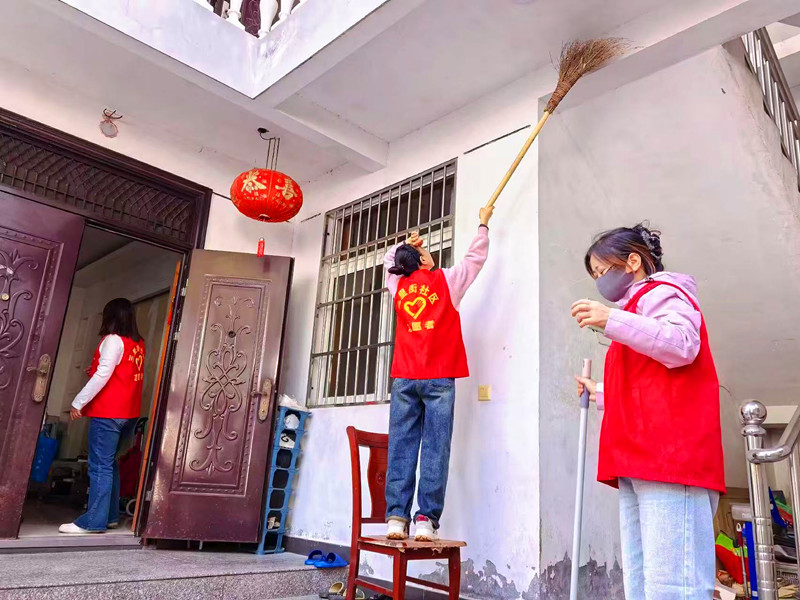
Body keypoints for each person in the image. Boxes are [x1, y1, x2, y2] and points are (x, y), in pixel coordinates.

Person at [571, 223, 724, 600]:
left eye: (602, 271)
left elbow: (682, 345)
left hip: (671, 458)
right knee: (643, 581)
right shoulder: (635, 311)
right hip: (641, 458)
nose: (599, 282)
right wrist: (601, 393)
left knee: (674, 583)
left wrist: (611, 319)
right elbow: (647, 382)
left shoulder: (664, 293)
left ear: (633, 261)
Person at [382, 206, 493, 542]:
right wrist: (483, 224)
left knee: (401, 444)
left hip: (405, 376)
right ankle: (426, 520)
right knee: (435, 446)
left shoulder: (396, 287)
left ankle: (396, 518)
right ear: (423, 261)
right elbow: (475, 259)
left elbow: (388, 263)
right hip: (439, 376)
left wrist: (406, 243)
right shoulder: (447, 281)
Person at [60, 298, 145, 534]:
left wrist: (78, 402)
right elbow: (120, 373)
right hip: (129, 414)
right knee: (111, 465)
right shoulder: (137, 343)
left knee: (99, 467)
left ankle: (92, 522)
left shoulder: (112, 340)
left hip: (109, 413)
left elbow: (103, 376)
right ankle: (109, 516)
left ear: (110, 317)